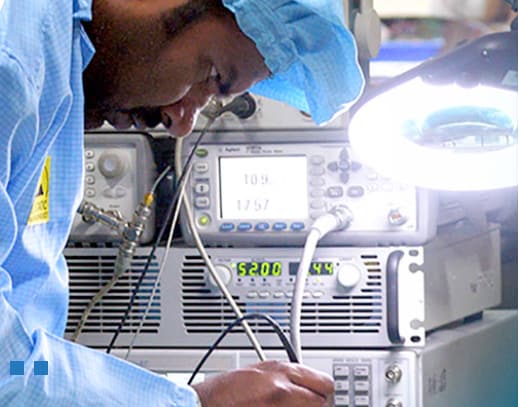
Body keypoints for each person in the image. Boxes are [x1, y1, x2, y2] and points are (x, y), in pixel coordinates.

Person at [0, 0, 364, 405]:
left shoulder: (59, 75)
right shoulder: (12, 61)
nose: (182, 123)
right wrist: (194, 402)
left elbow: (25, 363)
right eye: (212, 75)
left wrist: (165, 393)